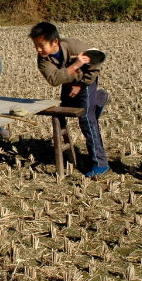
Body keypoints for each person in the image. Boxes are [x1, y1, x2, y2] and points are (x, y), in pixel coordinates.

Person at [30, 22, 109, 177]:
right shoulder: (43, 59)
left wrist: (80, 84)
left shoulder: (75, 47)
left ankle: (100, 163)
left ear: (55, 42)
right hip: (67, 82)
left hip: (86, 80)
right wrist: (76, 65)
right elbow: (53, 79)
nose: (38, 49)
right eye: (35, 46)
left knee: (86, 118)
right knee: (65, 110)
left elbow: (96, 65)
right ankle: (99, 99)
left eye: (42, 45)